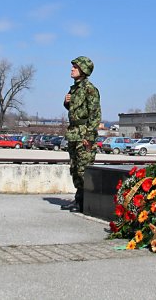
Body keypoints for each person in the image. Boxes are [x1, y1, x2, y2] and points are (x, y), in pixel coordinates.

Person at [62, 56, 101, 213]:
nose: (72, 69)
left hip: (84, 134)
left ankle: (86, 202)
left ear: (83, 70)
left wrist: (89, 138)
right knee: (75, 168)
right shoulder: (74, 89)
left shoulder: (90, 89)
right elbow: (75, 112)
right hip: (74, 134)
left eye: (75, 67)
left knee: (83, 170)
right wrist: (66, 102)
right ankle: (79, 201)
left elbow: (95, 115)